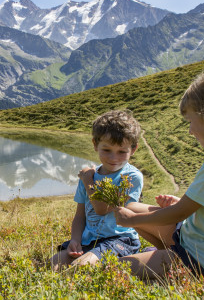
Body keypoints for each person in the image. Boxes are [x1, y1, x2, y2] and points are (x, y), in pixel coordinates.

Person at [113, 70, 204, 279]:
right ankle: (161, 258)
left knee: (112, 269)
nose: (190, 130)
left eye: (191, 121)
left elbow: (179, 213)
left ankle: (170, 265)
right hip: (203, 241)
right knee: (131, 207)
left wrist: (130, 221)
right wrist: (182, 204)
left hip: (200, 260)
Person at [50, 110, 144, 270]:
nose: (113, 158)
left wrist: (88, 181)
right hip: (89, 239)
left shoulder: (130, 177)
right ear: (95, 144)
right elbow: (80, 215)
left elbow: (102, 209)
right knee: (54, 263)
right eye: (106, 150)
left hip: (119, 239)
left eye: (122, 152)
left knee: (81, 267)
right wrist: (75, 240)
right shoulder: (90, 175)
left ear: (133, 149)